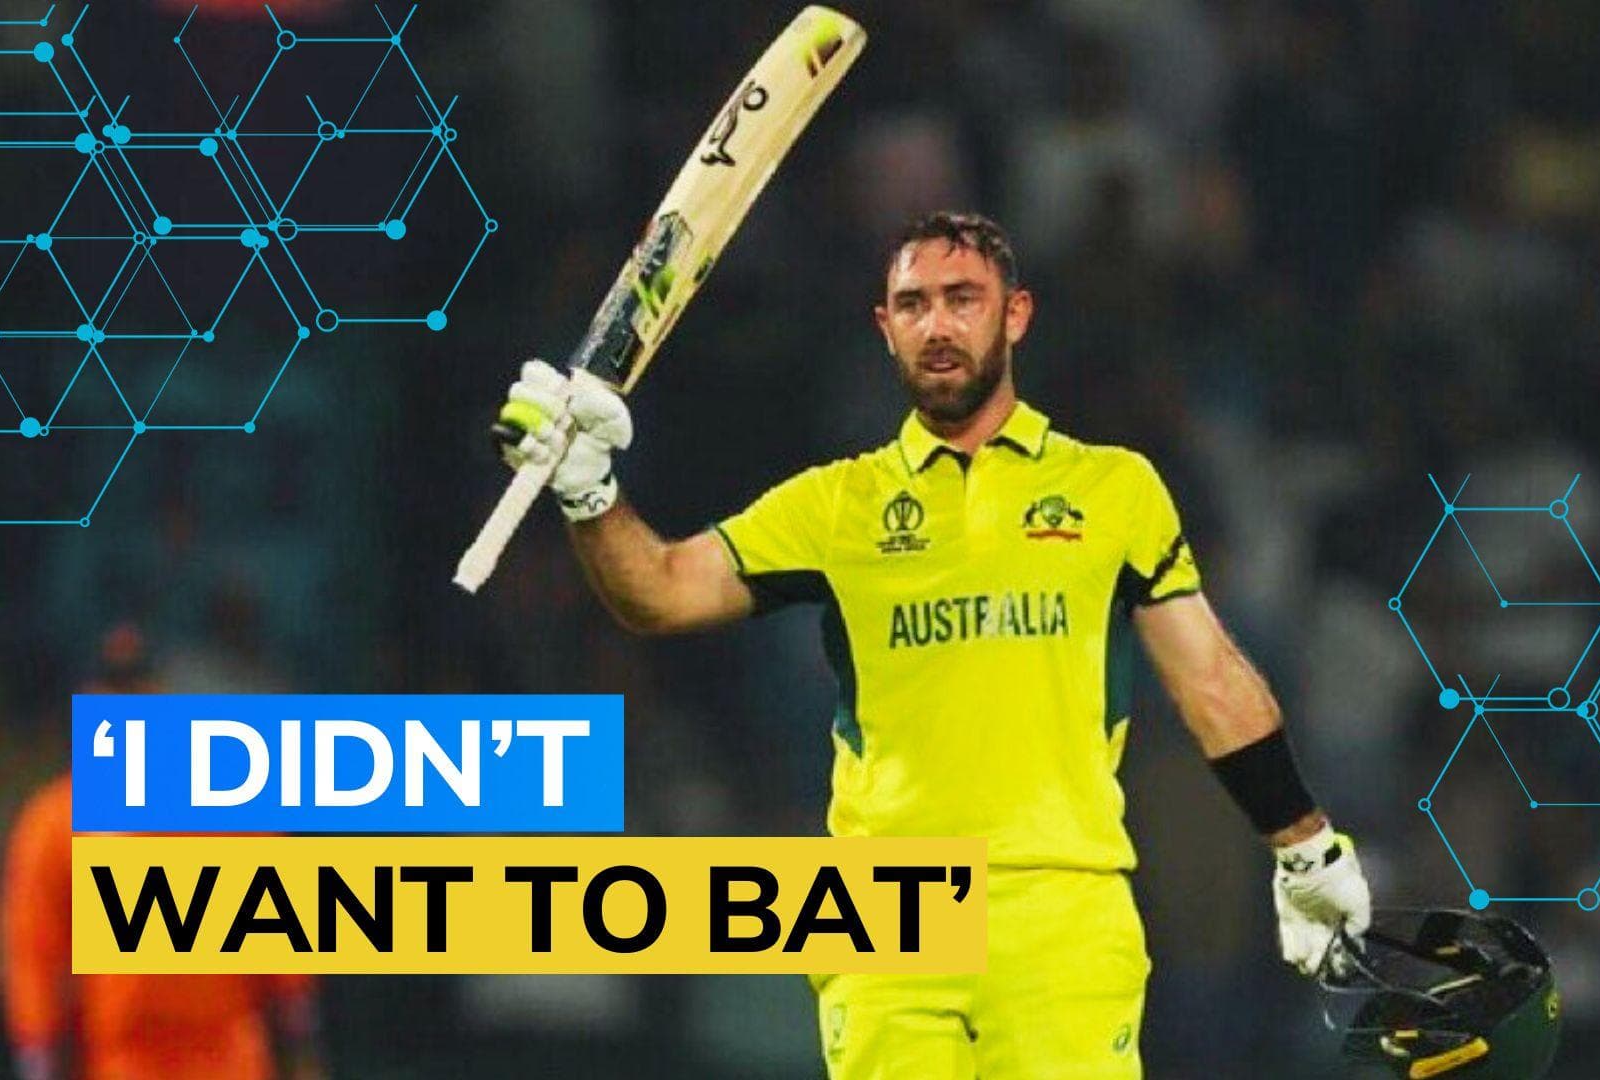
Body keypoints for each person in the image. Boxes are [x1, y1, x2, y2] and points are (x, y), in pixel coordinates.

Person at [493, 211, 1371, 1077]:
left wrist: (1305, 846)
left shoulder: (1114, 489)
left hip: (1059, 908)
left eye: (963, 298)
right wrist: (587, 490)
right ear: (885, 328)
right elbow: (660, 593)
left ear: (1015, 314)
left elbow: (1210, 678)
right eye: (913, 305)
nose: (938, 325)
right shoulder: (836, 505)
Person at [2, 624, 326, 1080]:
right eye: (113, 688)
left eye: (139, 687)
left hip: (227, 1055)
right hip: (121, 1061)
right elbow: (33, 951)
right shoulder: (54, 823)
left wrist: (301, 1042)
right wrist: (39, 1051)